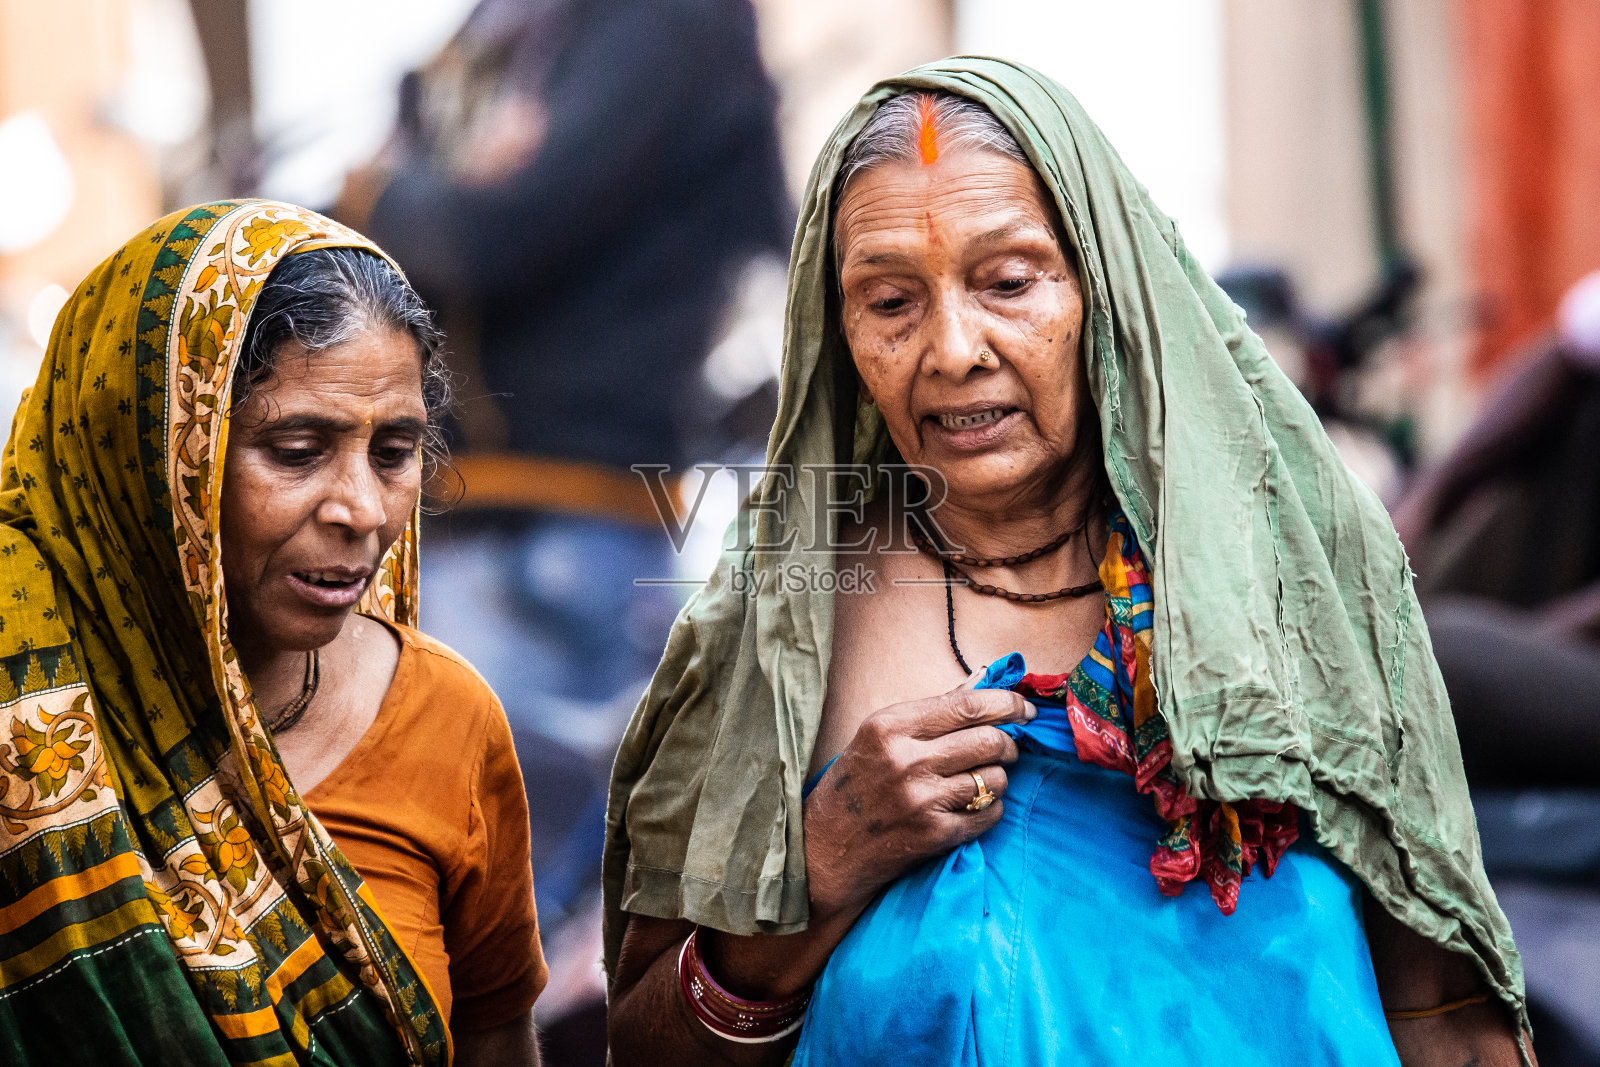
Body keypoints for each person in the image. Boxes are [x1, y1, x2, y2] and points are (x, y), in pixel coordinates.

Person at [603, 61, 1535, 1066]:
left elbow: (1448, 1017)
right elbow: (646, 1046)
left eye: (1008, 282)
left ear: (1104, 290)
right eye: (890, 300)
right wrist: (819, 866)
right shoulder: (785, 622)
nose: (953, 348)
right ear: (840, 332)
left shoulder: (1277, 571)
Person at [0, 200, 543, 1066]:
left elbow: (494, 1036)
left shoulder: (447, 718)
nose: (362, 510)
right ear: (148, 451)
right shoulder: (22, 701)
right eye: (296, 450)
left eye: (394, 452)